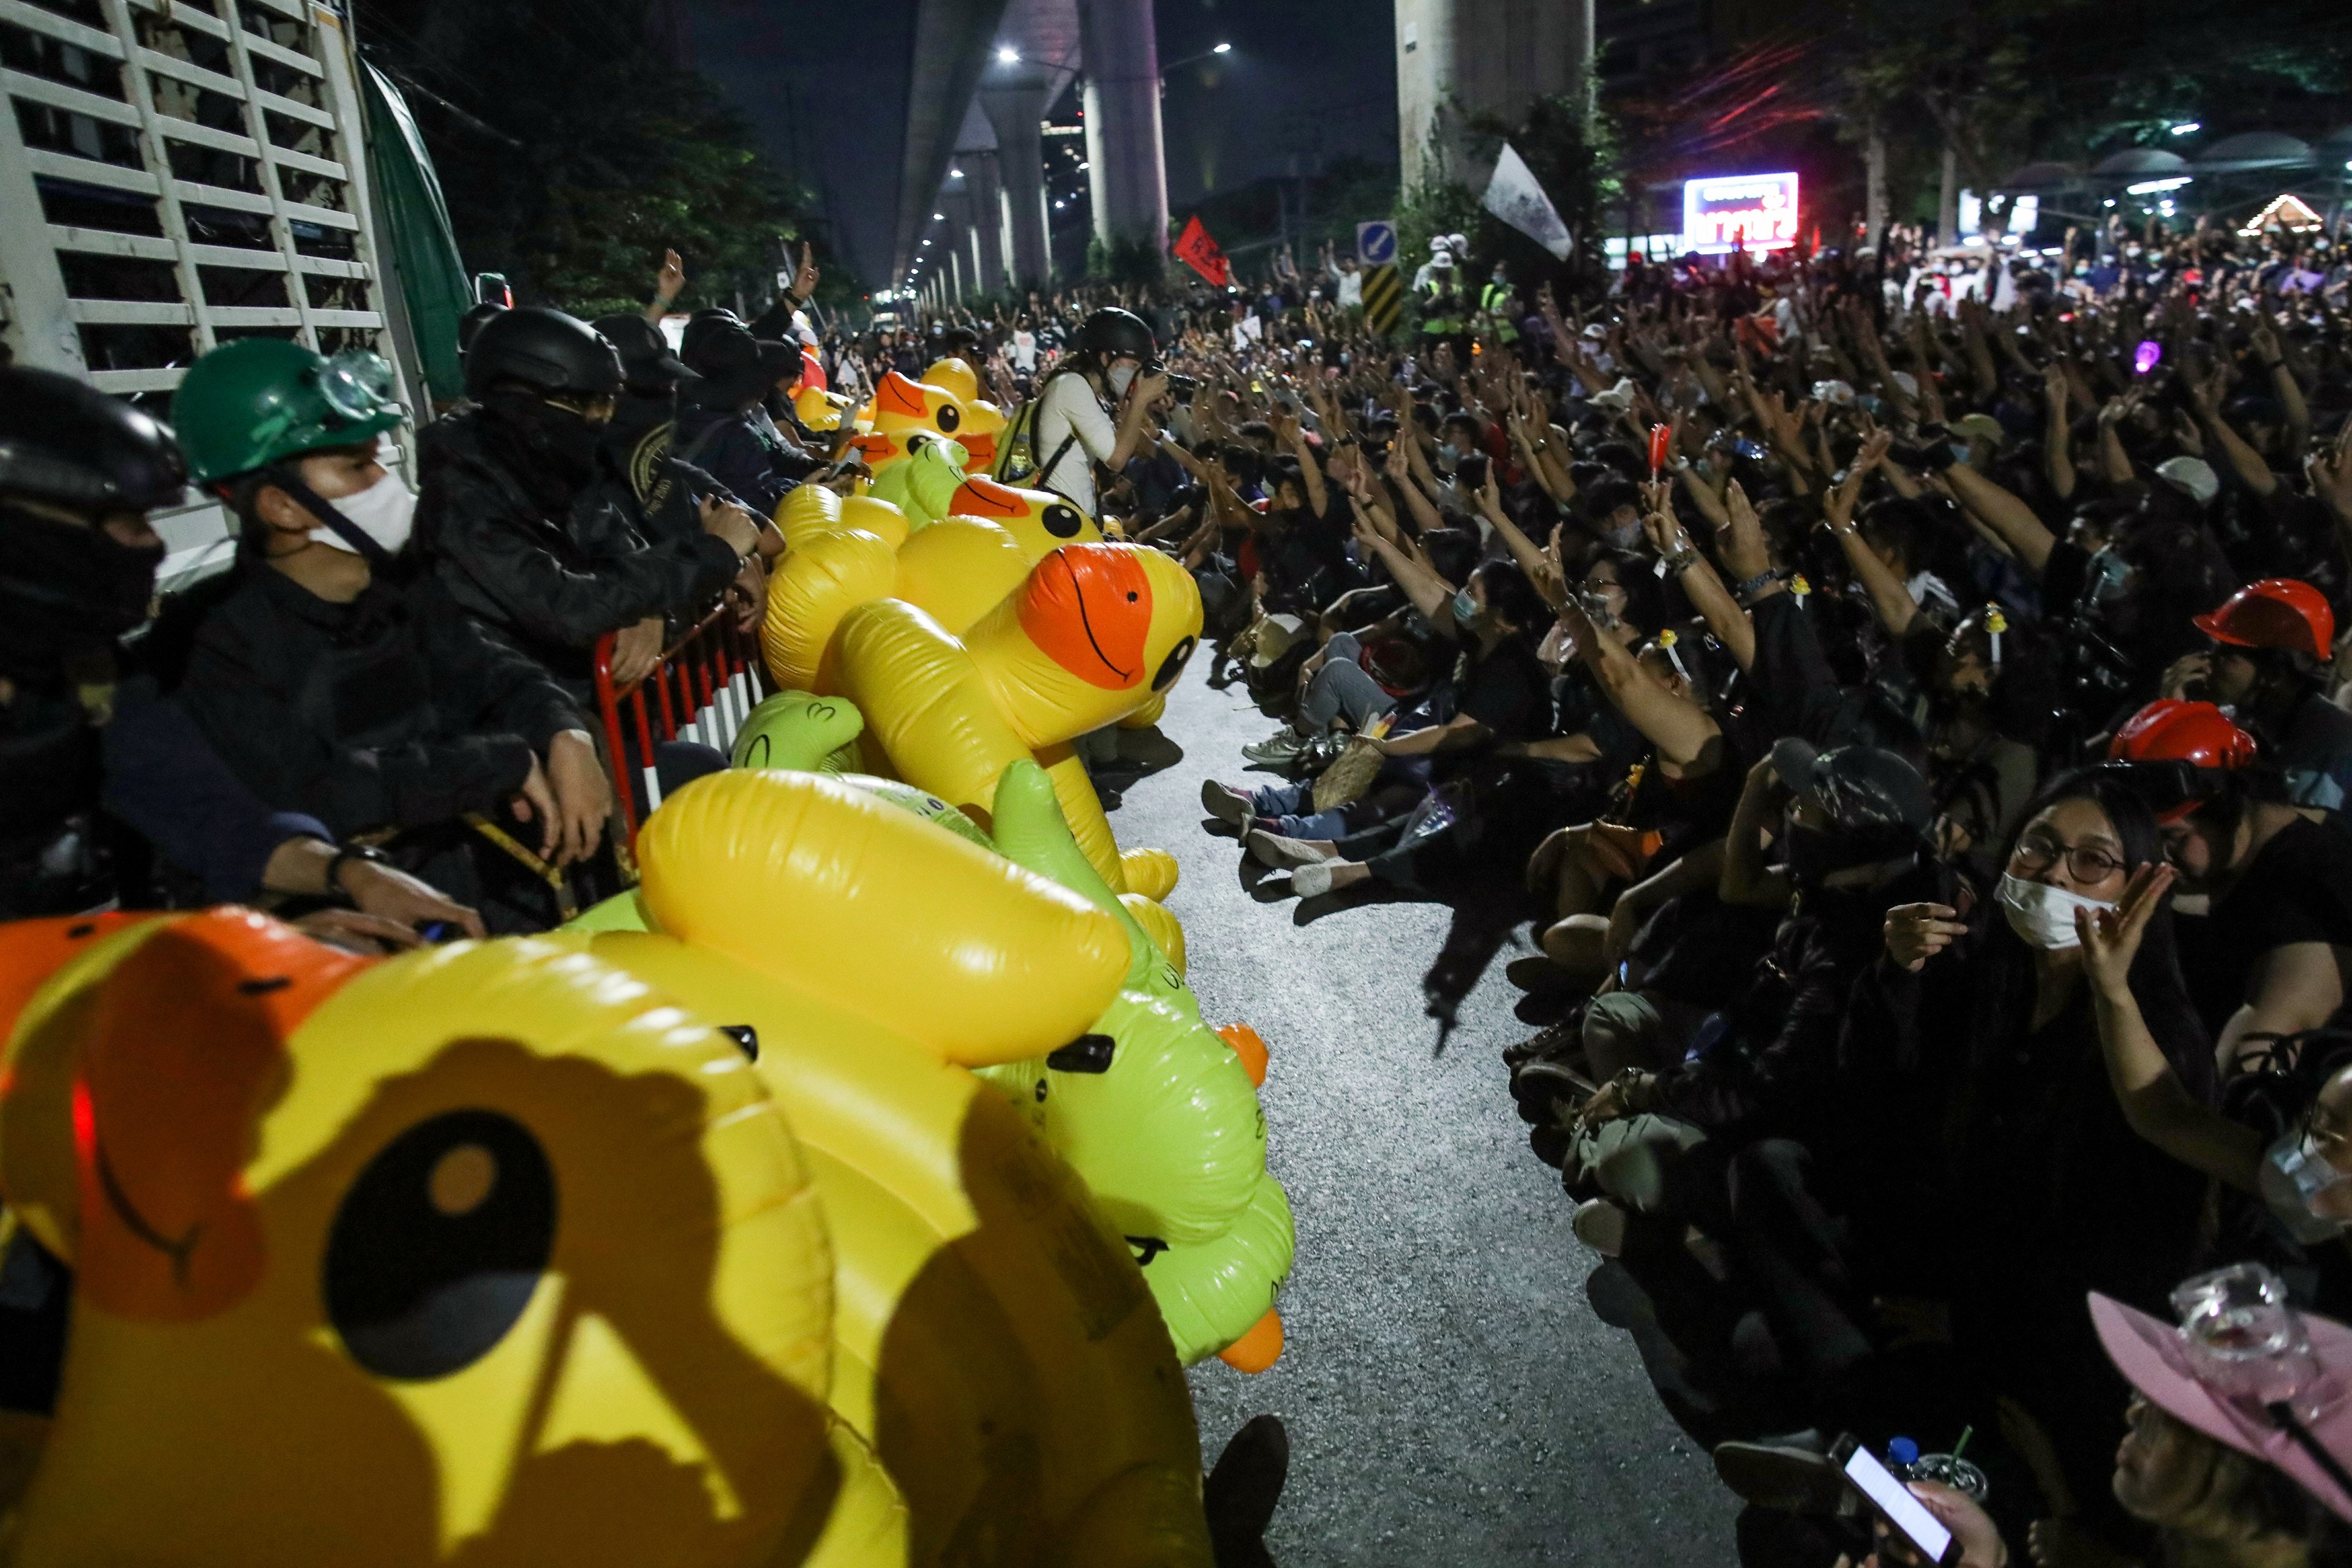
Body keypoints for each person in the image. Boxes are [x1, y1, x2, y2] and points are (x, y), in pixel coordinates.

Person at [0, 366, 478, 944]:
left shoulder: (86, 676)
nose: (152, 545)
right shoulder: (216, 639)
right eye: (123, 522)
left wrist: (348, 874)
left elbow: (198, 805)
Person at [170, 337, 612, 929]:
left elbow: (492, 673)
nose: (385, 480)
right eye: (357, 466)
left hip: (497, 905)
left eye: (379, 457)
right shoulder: (214, 646)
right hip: (368, 949)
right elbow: (317, 789)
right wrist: (491, 765)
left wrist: (564, 734)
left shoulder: (399, 589)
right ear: (282, 506)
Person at [418, 306, 767, 696]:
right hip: (519, 720)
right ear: (530, 402)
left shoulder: (555, 473)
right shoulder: (464, 498)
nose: (604, 419)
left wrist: (689, 590)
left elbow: (623, 555)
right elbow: (568, 607)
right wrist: (713, 555)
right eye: (593, 405)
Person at [2108, 697, 2352, 1062]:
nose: (2156, 856)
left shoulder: (2310, 883)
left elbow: (2260, 1054)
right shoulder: (2247, 849)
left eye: (2172, 838)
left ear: (2228, 807)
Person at [2166, 578, 2352, 810]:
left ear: (2274, 674)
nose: (2207, 664)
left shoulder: (2334, 746)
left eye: (2227, 655)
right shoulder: (2234, 717)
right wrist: (2173, 716)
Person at [1027, 307, 1169, 518]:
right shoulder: (1072, 386)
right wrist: (1139, 401)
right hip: (1061, 520)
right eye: (1134, 364)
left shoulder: (1086, 392)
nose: (1137, 373)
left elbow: (1142, 450)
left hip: (1070, 517)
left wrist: (1134, 406)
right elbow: (1116, 459)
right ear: (1105, 358)